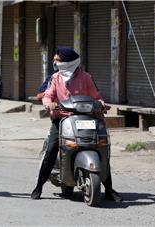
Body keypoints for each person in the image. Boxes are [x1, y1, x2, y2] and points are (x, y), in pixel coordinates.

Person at [31, 47, 122, 202]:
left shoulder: (86, 77)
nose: (56, 63)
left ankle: (109, 189)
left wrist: (101, 105)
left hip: (86, 118)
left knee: (101, 147)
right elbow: (47, 96)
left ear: (68, 62)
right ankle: (38, 186)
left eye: (58, 60)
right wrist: (50, 104)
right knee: (51, 150)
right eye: (55, 60)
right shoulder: (55, 78)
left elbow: (96, 97)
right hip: (62, 118)